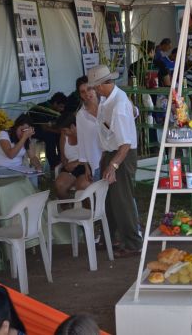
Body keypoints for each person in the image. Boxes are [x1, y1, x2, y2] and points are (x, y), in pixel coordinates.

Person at [88, 65, 143, 258]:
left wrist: (113, 165)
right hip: (113, 152)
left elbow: (125, 143)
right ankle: (110, 237)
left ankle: (132, 243)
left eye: (94, 87)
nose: (94, 91)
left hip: (121, 155)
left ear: (101, 85)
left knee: (122, 200)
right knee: (109, 200)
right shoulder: (111, 99)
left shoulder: (118, 105)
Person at [29, 92, 69, 170]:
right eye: (61, 107)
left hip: (44, 130)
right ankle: (53, 164)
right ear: (55, 103)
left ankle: (62, 159)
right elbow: (44, 128)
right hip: (33, 130)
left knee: (60, 134)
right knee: (50, 136)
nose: (62, 109)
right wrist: (58, 131)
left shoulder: (54, 110)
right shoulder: (42, 108)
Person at [75, 76, 103, 183]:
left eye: (89, 89)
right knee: (101, 192)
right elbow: (81, 142)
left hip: (113, 157)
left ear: (95, 88)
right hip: (95, 162)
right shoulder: (81, 115)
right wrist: (86, 167)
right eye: (82, 92)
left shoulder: (107, 104)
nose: (87, 94)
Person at [55, 113, 90, 199]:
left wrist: (76, 163)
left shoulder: (85, 134)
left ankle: (86, 207)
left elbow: (92, 156)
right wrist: (66, 165)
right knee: (59, 185)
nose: (63, 133)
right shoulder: (64, 136)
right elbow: (63, 156)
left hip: (86, 166)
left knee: (82, 186)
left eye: (64, 130)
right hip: (70, 167)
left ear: (72, 126)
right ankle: (67, 205)